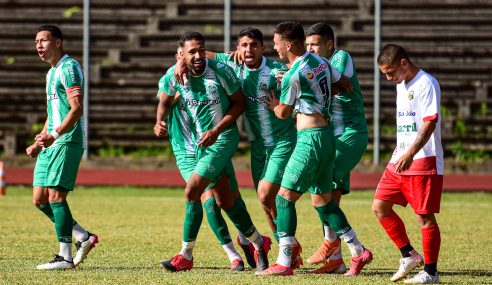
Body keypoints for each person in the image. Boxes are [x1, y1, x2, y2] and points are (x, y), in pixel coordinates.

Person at [175, 27, 302, 268]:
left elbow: (299, 78)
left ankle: (288, 249)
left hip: (281, 141)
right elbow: (203, 54)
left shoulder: (276, 71)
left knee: (266, 194)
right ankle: (288, 249)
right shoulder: (232, 63)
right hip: (257, 146)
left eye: (254, 45)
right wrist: (182, 61)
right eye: (244, 45)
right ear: (238, 48)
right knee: (265, 202)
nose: (248, 50)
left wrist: (289, 80)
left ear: (262, 48)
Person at [258, 21, 372, 276]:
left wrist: (273, 104)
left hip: (309, 139)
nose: (274, 48)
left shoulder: (292, 74)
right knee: (324, 202)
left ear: (288, 44)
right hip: (328, 138)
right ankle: (358, 250)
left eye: (276, 43)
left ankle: (284, 262)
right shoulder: (320, 62)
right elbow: (344, 85)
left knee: (283, 197)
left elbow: (284, 113)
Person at [154, 31, 271, 273]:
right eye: (191, 52)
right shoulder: (173, 75)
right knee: (225, 200)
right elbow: (164, 100)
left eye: (200, 50)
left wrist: (217, 130)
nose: (197, 55)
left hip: (221, 139)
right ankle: (259, 242)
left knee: (193, 190)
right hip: (189, 148)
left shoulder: (220, 71)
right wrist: (159, 121)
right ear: (181, 55)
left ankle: (186, 254)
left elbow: (239, 103)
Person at [25, 24, 98, 270]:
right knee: (39, 199)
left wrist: (55, 135)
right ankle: (83, 236)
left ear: (58, 42)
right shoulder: (51, 72)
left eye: (44, 40)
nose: (39, 46)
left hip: (67, 140)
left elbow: (77, 109)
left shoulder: (69, 68)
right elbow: (52, 112)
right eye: (36, 41)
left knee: (56, 196)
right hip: (52, 140)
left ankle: (65, 256)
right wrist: (40, 140)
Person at [373, 44, 443, 284]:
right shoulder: (402, 85)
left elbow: (429, 122)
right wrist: (401, 151)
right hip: (399, 158)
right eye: (385, 74)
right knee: (380, 207)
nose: (389, 78)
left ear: (404, 63)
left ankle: (431, 273)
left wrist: (411, 152)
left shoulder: (426, 83)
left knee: (424, 217)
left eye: (391, 72)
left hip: (423, 159)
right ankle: (409, 255)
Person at [304, 23, 369, 274]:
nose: (310, 49)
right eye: (307, 45)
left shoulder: (341, 57)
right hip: (333, 139)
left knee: (319, 184)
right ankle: (337, 261)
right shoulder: (309, 65)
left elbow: (337, 82)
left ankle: (333, 243)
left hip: (350, 134)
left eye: (315, 44)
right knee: (332, 194)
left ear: (329, 44)